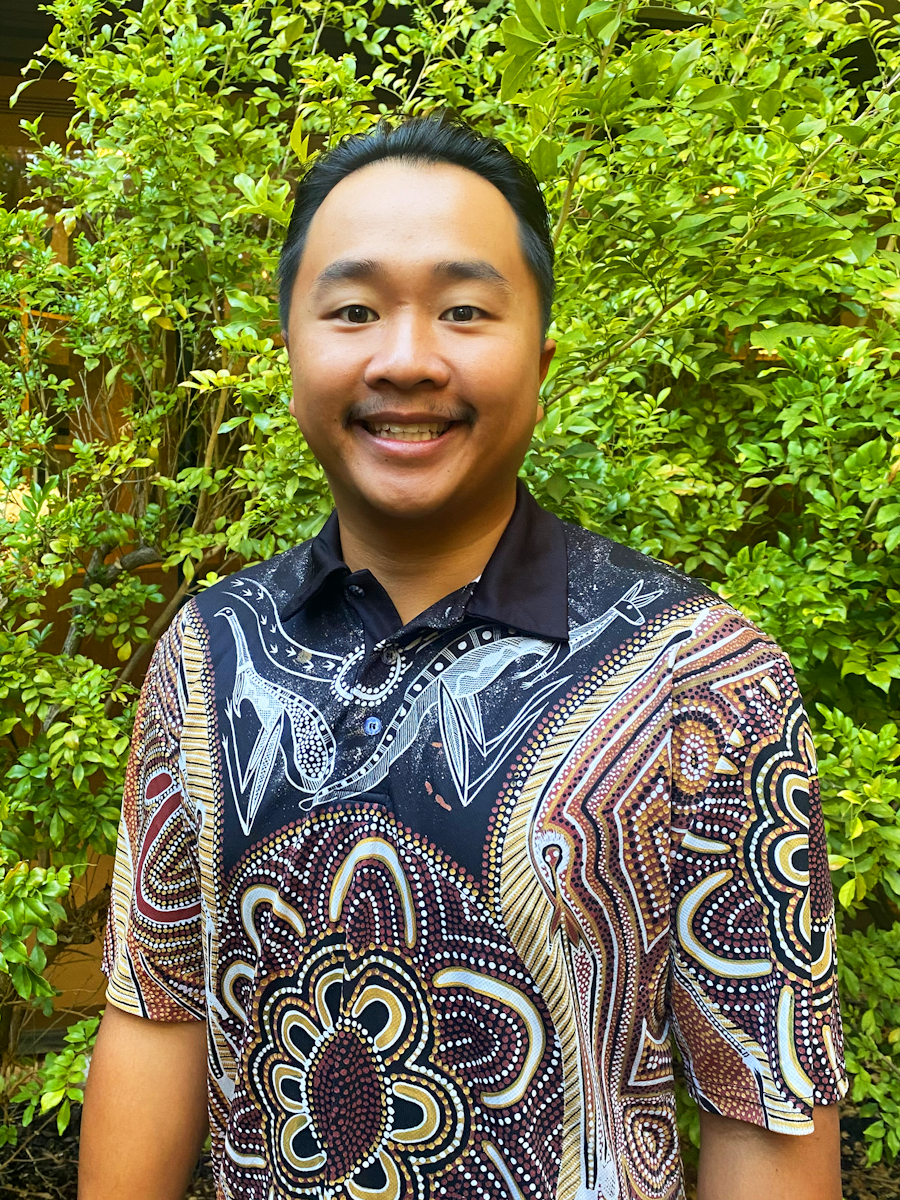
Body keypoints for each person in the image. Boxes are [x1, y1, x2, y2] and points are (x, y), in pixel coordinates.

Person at [78, 117, 847, 1200]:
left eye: (465, 311)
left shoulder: (703, 677)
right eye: (353, 310)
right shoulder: (212, 651)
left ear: (541, 359)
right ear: (291, 351)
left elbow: (767, 1098)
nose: (406, 358)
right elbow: (156, 1014)